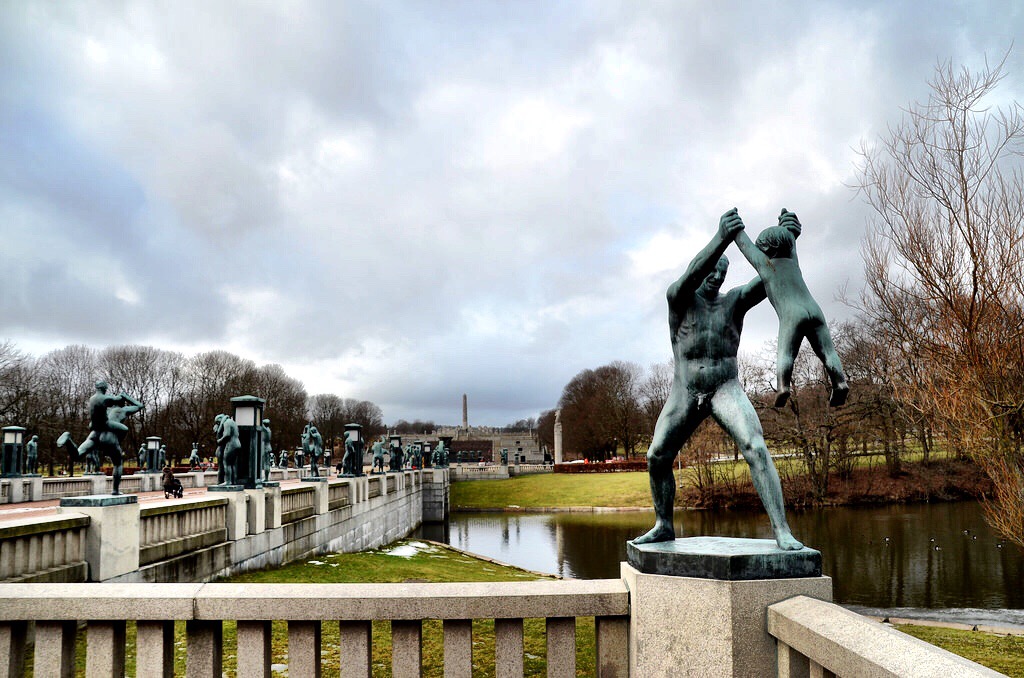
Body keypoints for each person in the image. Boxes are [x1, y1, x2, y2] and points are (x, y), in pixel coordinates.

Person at [635, 208, 802, 550]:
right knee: (657, 456)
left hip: (725, 387)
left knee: (756, 447)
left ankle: (782, 531)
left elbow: (775, 277)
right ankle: (664, 525)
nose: (715, 277)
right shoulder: (680, 300)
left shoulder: (734, 303)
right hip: (685, 389)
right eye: (711, 270)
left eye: (722, 273)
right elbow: (687, 276)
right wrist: (721, 237)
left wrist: (790, 244)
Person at [734, 208, 849, 408]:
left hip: (792, 314)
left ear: (766, 249)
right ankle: (840, 382)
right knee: (827, 351)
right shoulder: (794, 263)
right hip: (815, 310)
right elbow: (792, 246)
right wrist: (787, 230)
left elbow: (746, 247)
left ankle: (783, 387)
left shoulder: (766, 266)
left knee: (786, 353)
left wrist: (735, 228)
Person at [214, 414, 241, 485]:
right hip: (237, 444)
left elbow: (227, 434)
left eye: (218, 422)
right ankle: (233, 481)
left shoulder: (227, 423)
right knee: (233, 464)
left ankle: (228, 481)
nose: (218, 424)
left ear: (220, 418)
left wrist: (219, 440)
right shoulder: (233, 422)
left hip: (231, 444)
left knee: (226, 463)